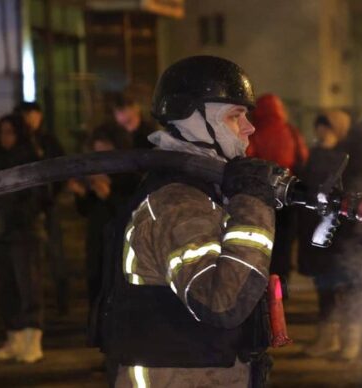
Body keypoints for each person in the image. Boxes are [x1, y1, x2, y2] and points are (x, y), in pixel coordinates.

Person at [95, 55, 279, 388]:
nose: (249, 127)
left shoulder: (203, 190)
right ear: (194, 120)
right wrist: (253, 205)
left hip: (199, 371)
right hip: (179, 377)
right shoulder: (178, 202)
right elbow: (222, 302)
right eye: (235, 116)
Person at [0, 115, 45, 363]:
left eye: (9, 132)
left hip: (23, 231)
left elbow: (40, 195)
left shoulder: (29, 159)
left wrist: (22, 214)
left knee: (27, 285)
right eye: (1, 133)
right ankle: (14, 339)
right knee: (6, 286)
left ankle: (32, 340)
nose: (4, 138)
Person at [296, 110, 357, 359]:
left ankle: (350, 340)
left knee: (345, 287)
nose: (321, 131)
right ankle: (327, 338)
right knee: (325, 288)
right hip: (316, 228)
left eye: (327, 126)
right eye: (319, 126)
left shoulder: (349, 157)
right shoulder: (313, 153)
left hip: (340, 232)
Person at [68, 125, 139, 310]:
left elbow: (131, 213)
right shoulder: (96, 176)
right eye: (98, 154)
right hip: (97, 242)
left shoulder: (131, 178)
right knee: (96, 289)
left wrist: (109, 196)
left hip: (120, 245)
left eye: (107, 153)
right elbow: (86, 211)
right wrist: (82, 194)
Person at [246, 93, 308, 294]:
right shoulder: (291, 131)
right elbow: (303, 157)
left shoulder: (253, 132)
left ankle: (263, 288)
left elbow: (247, 159)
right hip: (288, 196)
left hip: (262, 198)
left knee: (262, 243)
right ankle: (282, 289)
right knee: (284, 245)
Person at [14, 101, 70, 315]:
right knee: (29, 257)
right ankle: (32, 304)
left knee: (56, 253)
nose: (31, 120)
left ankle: (62, 300)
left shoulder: (48, 141)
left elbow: (62, 166)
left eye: (34, 115)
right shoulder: (20, 143)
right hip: (27, 207)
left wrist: (54, 193)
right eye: (27, 115)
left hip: (48, 204)